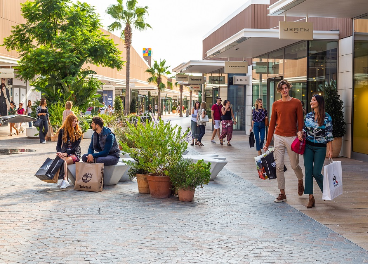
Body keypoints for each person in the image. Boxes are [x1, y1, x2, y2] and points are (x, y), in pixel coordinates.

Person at [264, 80, 304, 203]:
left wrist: (300, 131)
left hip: (292, 137)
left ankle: (300, 179)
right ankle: (282, 192)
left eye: (286, 88)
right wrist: (267, 142)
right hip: (278, 136)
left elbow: (300, 120)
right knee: (279, 166)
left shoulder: (296, 103)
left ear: (289, 88)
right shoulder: (276, 104)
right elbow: (271, 124)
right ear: (279, 91)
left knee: (294, 165)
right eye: (282, 89)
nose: (285, 90)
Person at [301, 95, 333, 208]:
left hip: (320, 148)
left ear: (319, 102)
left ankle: (327, 191)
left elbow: (329, 134)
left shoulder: (327, 117)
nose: (311, 102)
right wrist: (300, 134)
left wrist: (330, 150)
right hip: (308, 147)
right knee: (308, 171)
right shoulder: (308, 116)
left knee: (316, 172)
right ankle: (311, 198)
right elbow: (304, 129)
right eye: (311, 100)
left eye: (314, 100)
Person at [56, 113, 83, 189]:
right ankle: (63, 179)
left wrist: (65, 153)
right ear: (68, 122)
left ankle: (65, 180)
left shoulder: (78, 132)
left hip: (75, 154)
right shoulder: (62, 131)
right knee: (59, 159)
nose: (75, 123)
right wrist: (59, 152)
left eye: (76, 121)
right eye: (73, 121)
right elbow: (58, 145)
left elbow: (75, 147)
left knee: (64, 161)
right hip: (64, 153)